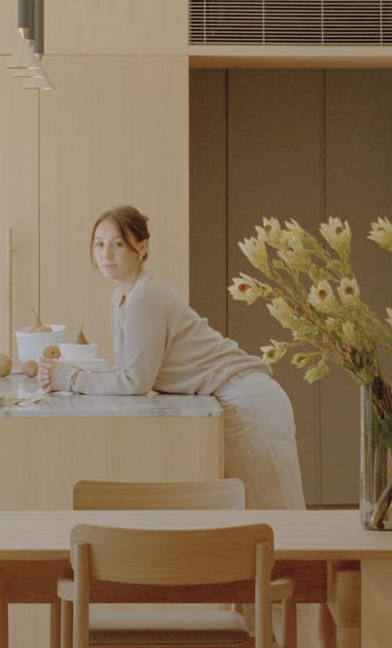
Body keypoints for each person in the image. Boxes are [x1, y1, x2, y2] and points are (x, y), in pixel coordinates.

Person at [40, 204, 307, 507]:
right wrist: (70, 374)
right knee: (253, 515)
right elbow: (130, 371)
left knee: (272, 517)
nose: (106, 254)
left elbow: (134, 382)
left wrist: (69, 377)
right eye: (99, 244)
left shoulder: (144, 297)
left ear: (141, 248)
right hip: (237, 396)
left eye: (117, 244)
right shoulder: (124, 296)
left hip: (248, 401)